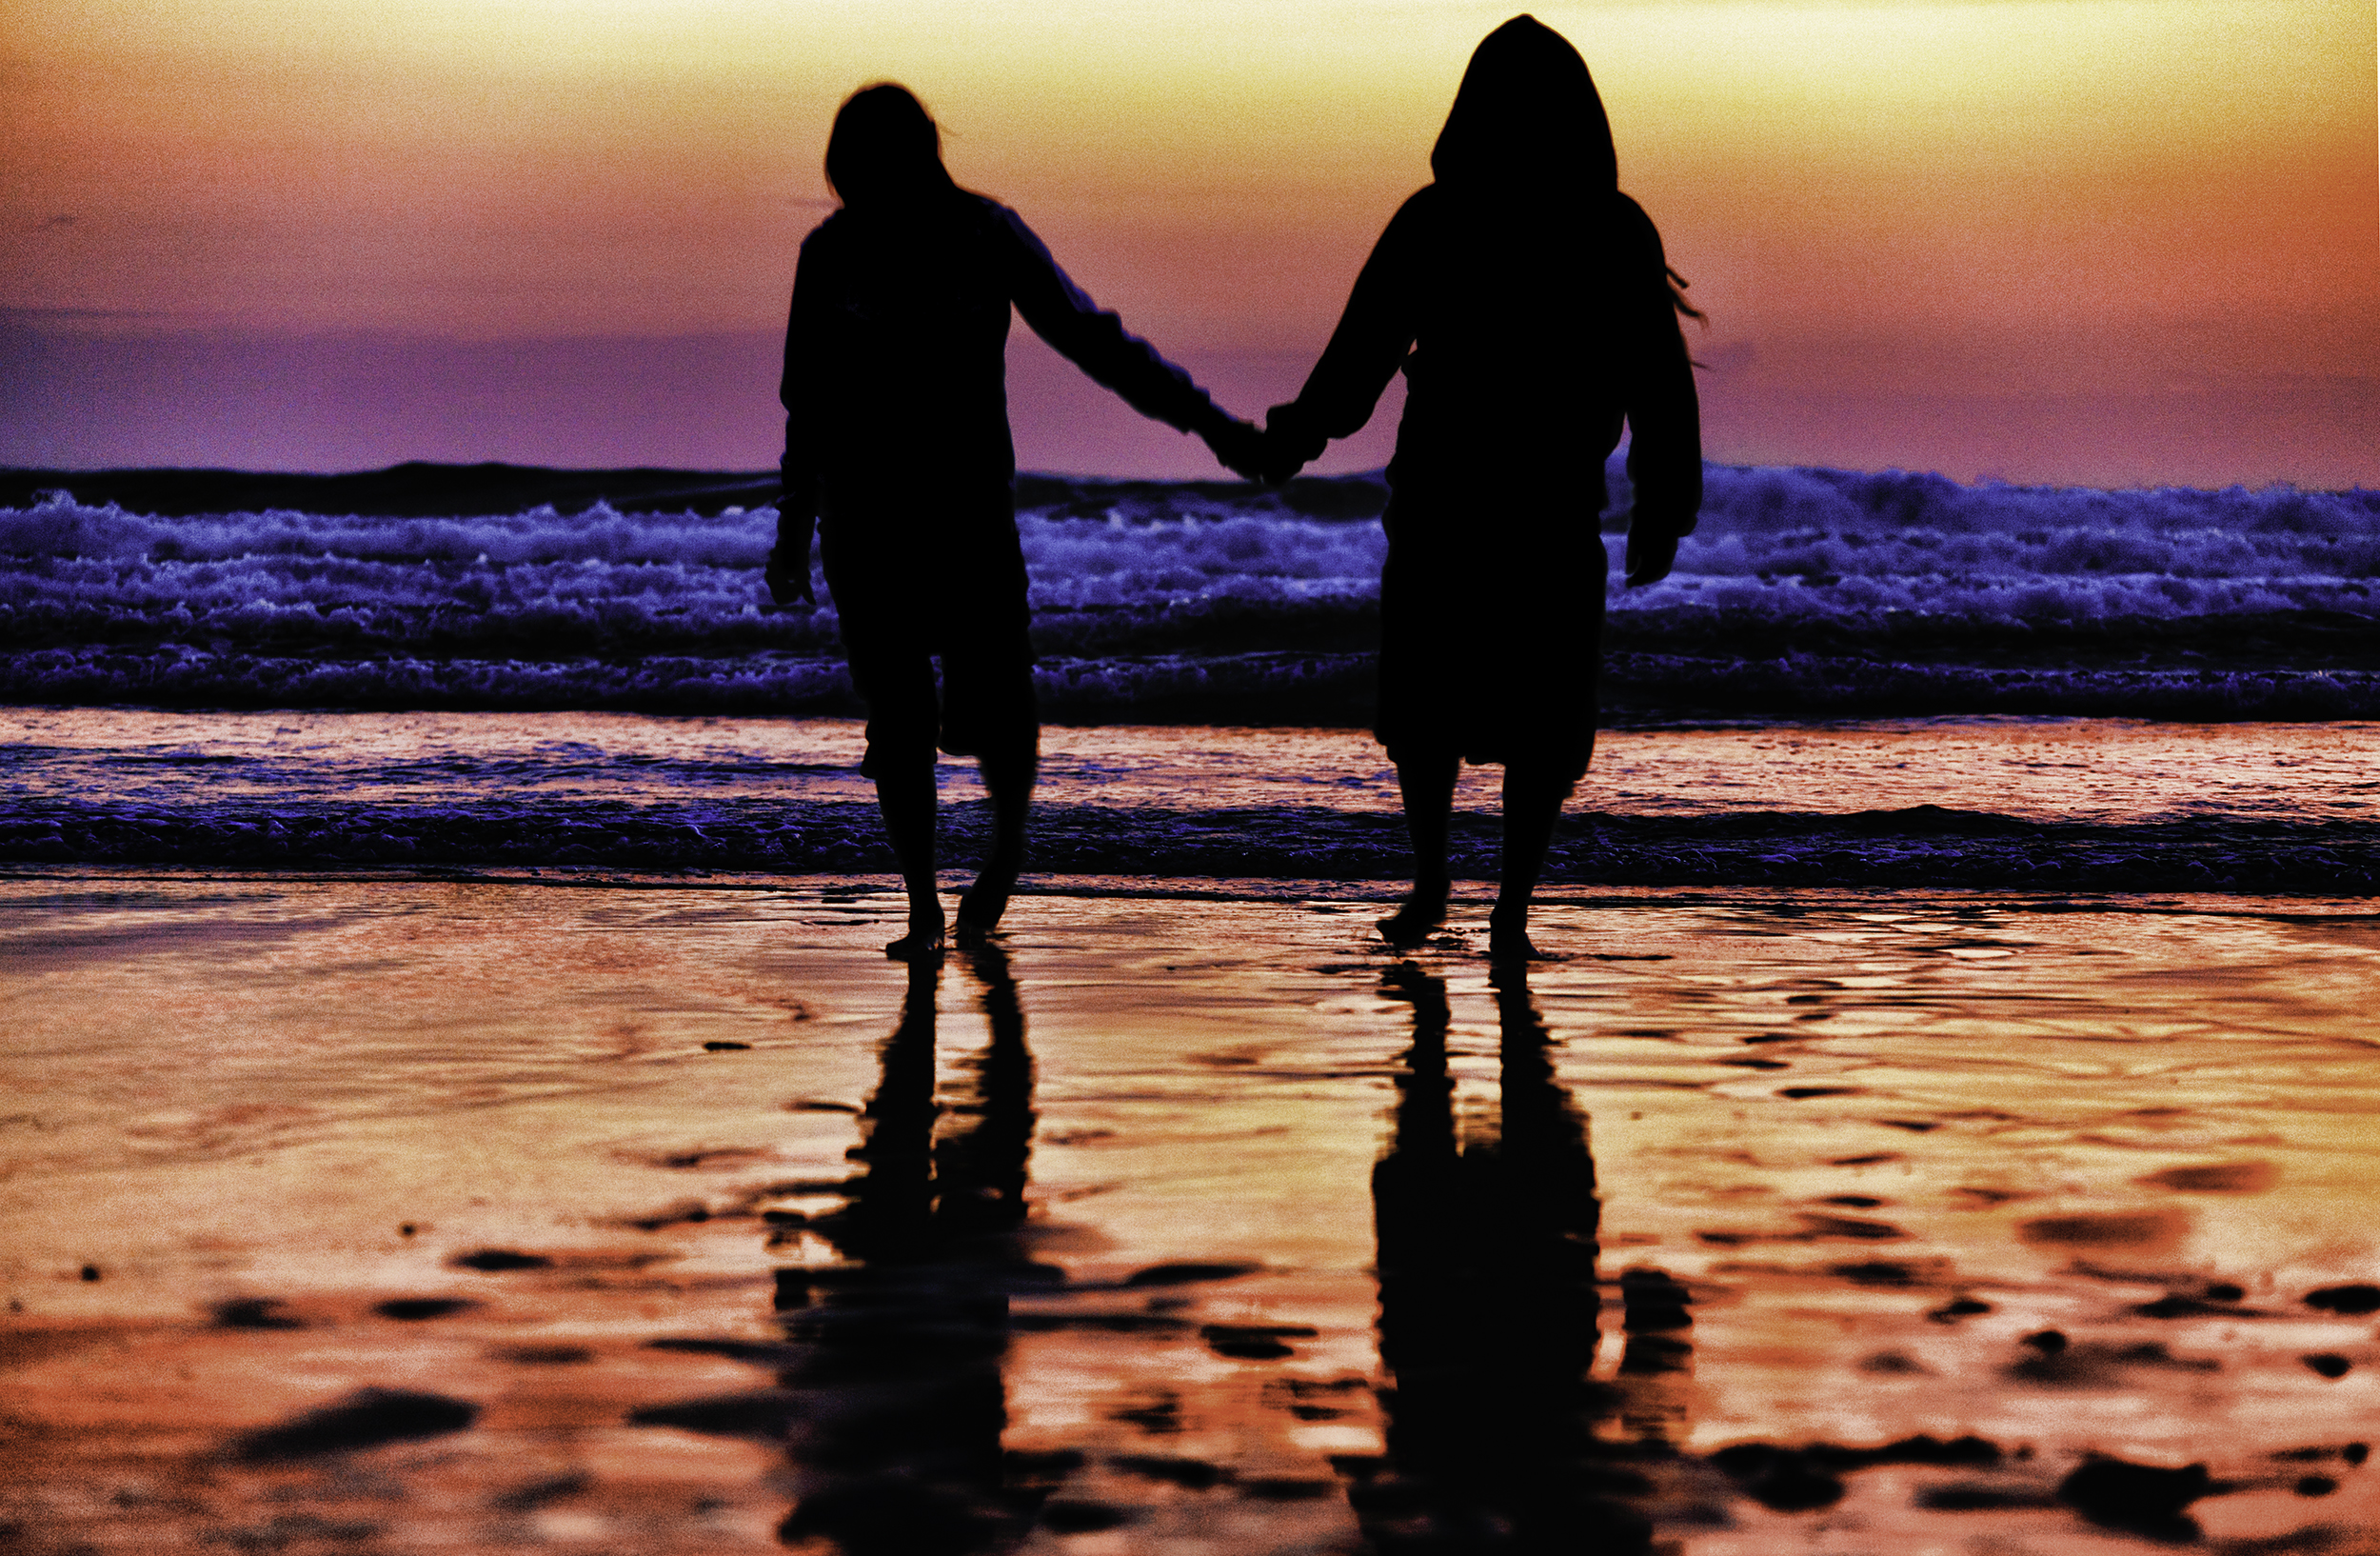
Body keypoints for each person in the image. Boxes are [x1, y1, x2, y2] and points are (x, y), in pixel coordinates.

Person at [768, 84, 1263, 959]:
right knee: (901, 717)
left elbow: (1092, 339)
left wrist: (1212, 424)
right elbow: (807, 403)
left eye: (871, 168)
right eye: (852, 174)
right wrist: (791, 532)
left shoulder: (985, 235)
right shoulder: (830, 253)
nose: (859, 188)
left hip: (969, 517)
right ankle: (922, 906)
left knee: (999, 704)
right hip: (866, 524)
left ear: (917, 158)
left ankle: (1003, 854)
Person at [1260, 15, 1703, 960]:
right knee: (1519, 716)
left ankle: (1454, 891)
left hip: (1462, 504)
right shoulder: (1577, 224)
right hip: (1507, 507)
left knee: (1443, 708)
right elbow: (1659, 383)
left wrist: (1304, 427)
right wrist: (1662, 503)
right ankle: (1494, 901)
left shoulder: (1462, 215)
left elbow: (1357, 361)